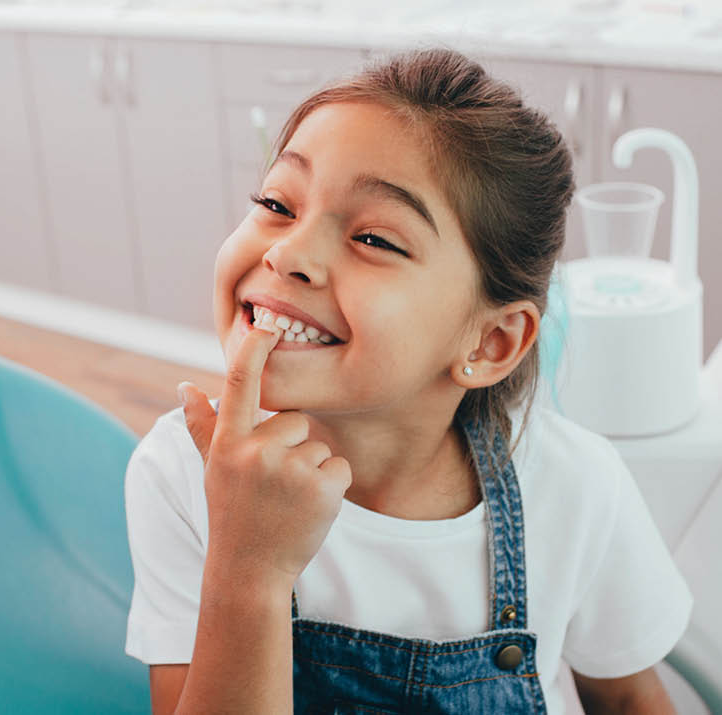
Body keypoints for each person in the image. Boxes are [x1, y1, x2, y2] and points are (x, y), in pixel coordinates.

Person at [123, 47, 692, 714]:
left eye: (374, 239)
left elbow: (628, 700)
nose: (287, 252)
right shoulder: (182, 473)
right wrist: (248, 569)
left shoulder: (577, 487)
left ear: (490, 341)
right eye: (278, 201)